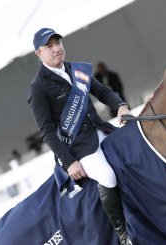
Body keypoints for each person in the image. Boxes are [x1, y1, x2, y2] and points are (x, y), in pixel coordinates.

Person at [28, 28, 132, 245]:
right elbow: (46, 130)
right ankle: (123, 234)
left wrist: (121, 106)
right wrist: (69, 162)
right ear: (39, 53)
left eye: (58, 43)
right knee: (107, 176)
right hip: (80, 148)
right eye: (50, 46)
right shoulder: (38, 88)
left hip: (102, 130)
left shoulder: (77, 69)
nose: (57, 48)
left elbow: (103, 92)